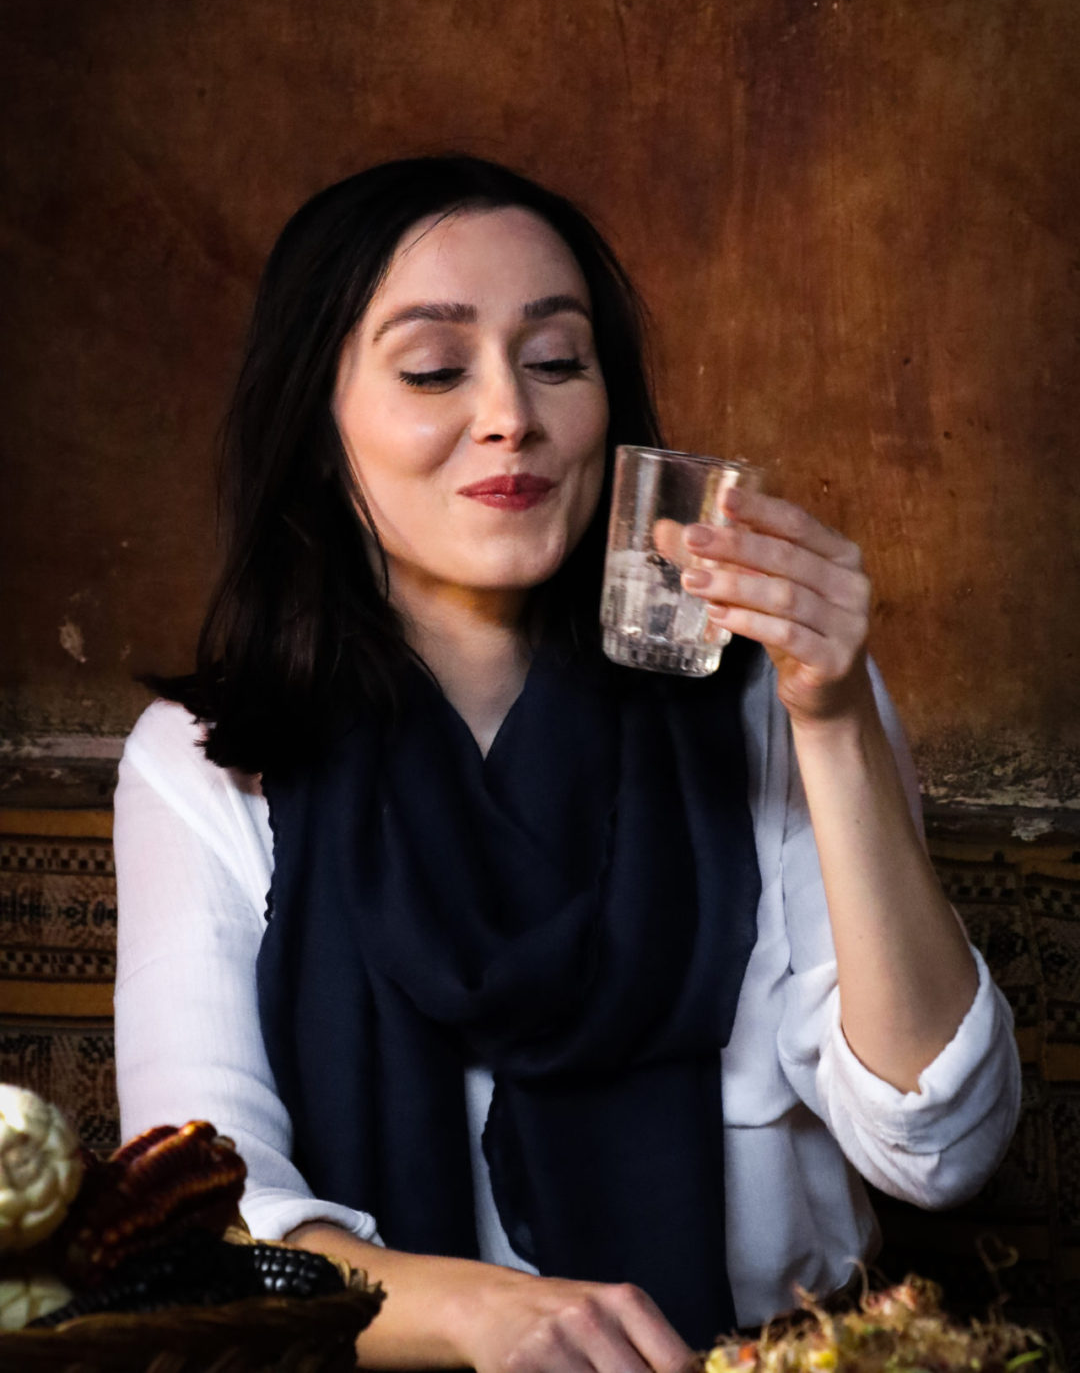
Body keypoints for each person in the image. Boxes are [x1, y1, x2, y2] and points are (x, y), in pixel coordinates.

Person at [113, 154, 1020, 1373]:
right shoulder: (211, 762)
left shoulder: (771, 698)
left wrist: (838, 721)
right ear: (316, 426)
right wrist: (487, 1313)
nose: (512, 416)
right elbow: (201, 1226)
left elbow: (944, 1152)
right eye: (435, 368)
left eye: (556, 361)